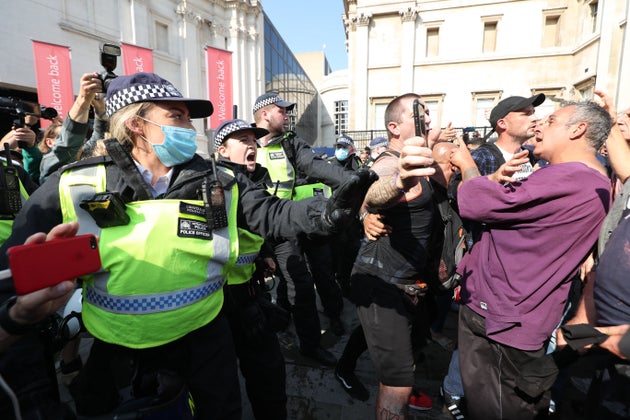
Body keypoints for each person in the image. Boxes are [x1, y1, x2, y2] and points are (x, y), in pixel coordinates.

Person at [0, 72, 376, 419]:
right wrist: (15, 314)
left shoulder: (219, 179)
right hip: (117, 346)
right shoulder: (75, 184)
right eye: (176, 116)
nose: (188, 126)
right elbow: (12, 273)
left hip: (205, 339)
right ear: (137, 125)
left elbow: (273, 213)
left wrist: (328, 213)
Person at [451, 99, 612, 419]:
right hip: (512, 316)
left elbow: (477, 202)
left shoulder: (571, 178)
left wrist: (468, 165)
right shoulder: (588, 179)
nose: (539, 125)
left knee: (494, 408)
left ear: (578, 130)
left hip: (500, 321)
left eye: (551, 121)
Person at [439, 94, 547, 418]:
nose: (533, 117)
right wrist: (490, 180)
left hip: (516, 264)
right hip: (483, 259)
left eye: (534, 112)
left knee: (493, 335)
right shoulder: (484, 156)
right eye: (525, 112)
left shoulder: (530, 157)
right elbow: (458, 197)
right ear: (502, 122)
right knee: (474, 330)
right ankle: (455, 390)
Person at [347, 93, 436, 418]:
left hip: (404, 282)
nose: (427, 119)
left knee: (400, 366)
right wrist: (393, 188)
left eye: (428, 112)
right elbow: (370, 193)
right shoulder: (389, 161)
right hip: (380, 281)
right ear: (394, 127)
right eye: (420, 113)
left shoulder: (419, 154)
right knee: (397, 380)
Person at [254, 92, 353, 364]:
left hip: (306, 222)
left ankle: (334, 316)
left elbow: (314, 164)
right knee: (297, 284)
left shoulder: (291, 142)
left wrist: (351, 182)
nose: (287, 116)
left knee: (323, 272)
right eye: (281, 111)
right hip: (276, 229)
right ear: (265, 113)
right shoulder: (247, 143)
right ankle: (300, 335)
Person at [213, 118, 287, 420]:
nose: (252, 145)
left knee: (269, 377)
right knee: (221, 388)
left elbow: (258, 223)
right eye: (243, 140)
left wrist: (264, 254)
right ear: (223, 151)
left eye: (254, 141)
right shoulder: (215, 185)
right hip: (217, 303)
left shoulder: (255, 178)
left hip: (249, 292)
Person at [39, 72, 109, 184]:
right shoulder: (50, 161)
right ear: (49, 142)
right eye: (61, 135)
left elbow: (101, 135)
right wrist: (83, 99)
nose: (78, 138)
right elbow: (67, 143)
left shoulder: (84, 153)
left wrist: (100, 111)